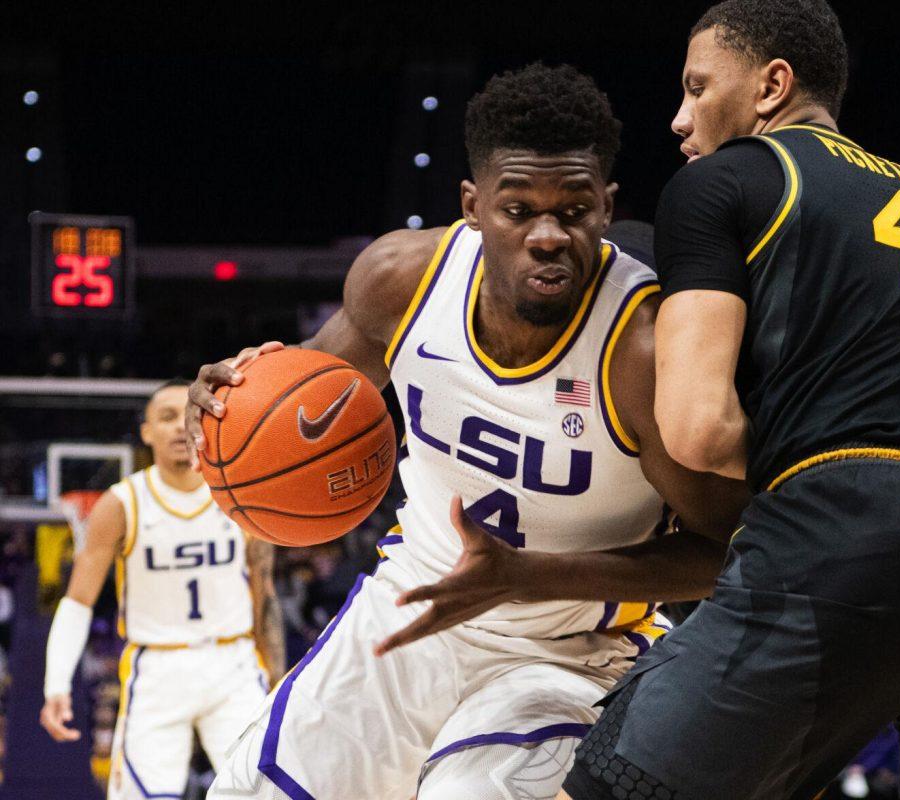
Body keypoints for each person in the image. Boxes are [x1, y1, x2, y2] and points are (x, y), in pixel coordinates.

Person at [191, 63, 747, 800]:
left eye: (573, 210)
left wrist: (526, 577)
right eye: (518, 210)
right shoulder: (400, 280)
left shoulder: (640, 350)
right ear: (473, 205)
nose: (547, 236)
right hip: (407, 613)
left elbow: (727, 556)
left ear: (605, 208)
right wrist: (223, 403)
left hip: (565, 655)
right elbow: (288, 410)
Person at [561, 2, 900, 799]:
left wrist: (809, 464)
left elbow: (696, 429)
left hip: (845, 527)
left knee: (609, 785)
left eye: (698, 88)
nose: (680, 119)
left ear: (772, 86)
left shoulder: (719, 181)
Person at [40, 379, 284, 800]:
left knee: (266, 792)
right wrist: (56, 683)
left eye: (186, 416)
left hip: (234, 665)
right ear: (146, 432)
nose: (177, 428)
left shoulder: (237, 493)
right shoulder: (120, 503)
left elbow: (263, 590)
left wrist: (279, 677)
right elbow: (78, 602)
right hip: (156, 669)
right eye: (165, 418)